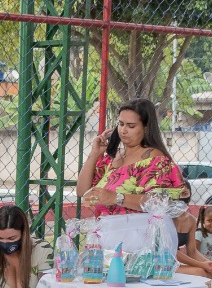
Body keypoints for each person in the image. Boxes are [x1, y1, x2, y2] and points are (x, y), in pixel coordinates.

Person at [78, 99, 190, 252]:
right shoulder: (112, 158)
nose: (123, 130)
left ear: (146, 128)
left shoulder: (155, 159)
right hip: (108, 235)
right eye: (121, 124)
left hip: (141, 237)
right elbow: (82, 192)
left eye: (131, 126)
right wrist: (94, 154)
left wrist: (116, 198)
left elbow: (158, 202)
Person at [174, 202, 212, 279]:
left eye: (185, 193)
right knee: (199, 272)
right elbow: (172, 251)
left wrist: (211, 265)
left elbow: (192, 252)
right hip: (160, 263)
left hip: (173, 263)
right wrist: (201, 265)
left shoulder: (191, 220)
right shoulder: (164, 218)